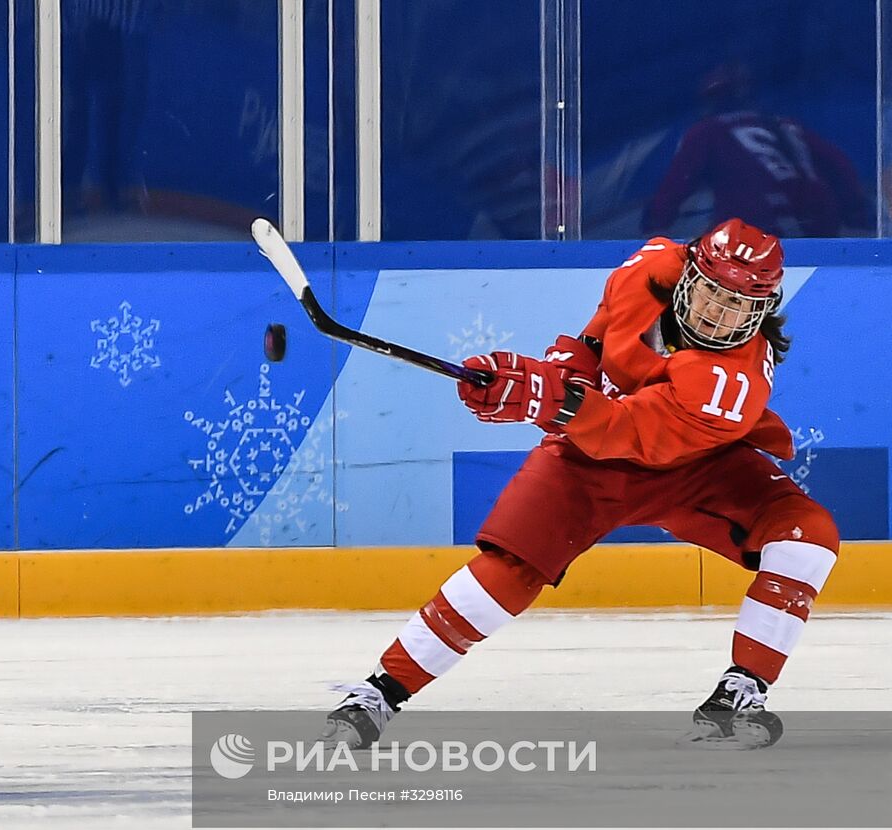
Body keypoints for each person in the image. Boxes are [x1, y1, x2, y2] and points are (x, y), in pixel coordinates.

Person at [323, 217, 840, 750]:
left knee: (807, 535)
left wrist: (547, 398)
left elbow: (626, 431)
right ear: (688, 274)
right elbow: (593, 340)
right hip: (588, 456)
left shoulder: (733, 382)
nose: (716, 312)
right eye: (711, 292)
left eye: (736, 305)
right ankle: (379, 693)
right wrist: (550, 375)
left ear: (760, 312)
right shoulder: (650, 266)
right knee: (509, 567)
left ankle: (741, 691)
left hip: (697, 466)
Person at [643, 62, 872, 239]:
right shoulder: (787, 126)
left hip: (754, 236)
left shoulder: (707, 132)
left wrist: (654, 228)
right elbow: (840, 165)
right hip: (819, 229)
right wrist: (858, 216)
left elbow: (674, 187)